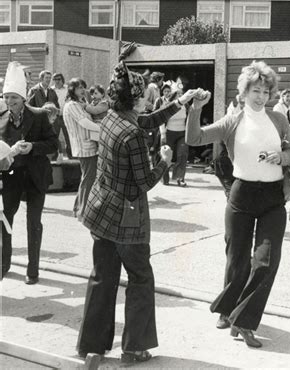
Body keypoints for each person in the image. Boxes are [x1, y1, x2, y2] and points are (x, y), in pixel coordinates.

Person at [76, 61, 197, 362]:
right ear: (136, 99)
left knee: (102, 278)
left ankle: (91, 345)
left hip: (100, 211)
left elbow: (145, 121)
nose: (147, 103)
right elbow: (144, 181)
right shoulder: (132, 135)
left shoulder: (111, 118)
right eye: (144, 98)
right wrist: (165, 161)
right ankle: (133, 347)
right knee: (140, 279)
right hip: (127, 218)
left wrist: (179, 101)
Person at [186, 61, 290, 348]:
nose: (261, 96)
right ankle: (227, 309)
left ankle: (244, 321)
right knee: (236, 259)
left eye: (265, 91)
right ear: (244, 92)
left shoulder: (279, 120)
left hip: (273, 198)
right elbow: (193, 138)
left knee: (265, 262)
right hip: (242, 195)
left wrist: (282, 158)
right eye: (255, 90)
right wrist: (196, 108)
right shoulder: (232, 121)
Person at [1, 62, 58, 283]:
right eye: (6, 97)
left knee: (33, 222)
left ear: (23, 97)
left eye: (14, 98)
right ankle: (4, 265)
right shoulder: (1, 117)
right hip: (11, 177)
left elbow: (53, 144)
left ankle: (32, 270)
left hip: (35, 176)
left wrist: (33, 147)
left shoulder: (39, 115)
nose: (9, 102)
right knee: (5, 220)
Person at [63, 78, 101, 221]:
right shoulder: (72, 105)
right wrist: (104, 129)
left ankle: (78, 208)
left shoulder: (79, 104)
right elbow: (84, 123)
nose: (82, 90)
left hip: (89, 144)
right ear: (71, 89)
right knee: (88, 178)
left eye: (83, 87)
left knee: (87, 177)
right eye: (78, 87)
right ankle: (83, 212)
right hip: (84, 146)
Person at [160, 80, 189, 187]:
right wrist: (163, 134)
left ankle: (180, 178)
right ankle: (165, 178)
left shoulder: (186, 105)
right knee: (166, 156)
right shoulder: (167, 105)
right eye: (179, 94)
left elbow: (190, 118)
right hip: (169, 133)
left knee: (182, 155)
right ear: (174, 95)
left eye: (182, 94)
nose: (181, 96)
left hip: (182, 133)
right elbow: (161, 119)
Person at [51, 72, 72, 159]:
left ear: (62, 79)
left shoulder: (68, 89)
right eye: (55, 79)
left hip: (66, 117)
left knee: (69, 137)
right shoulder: (51, 90)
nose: (57, 81)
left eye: (59, 79)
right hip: (55, 117)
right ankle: (55, 155)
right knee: (54, 137)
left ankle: (71, 156)